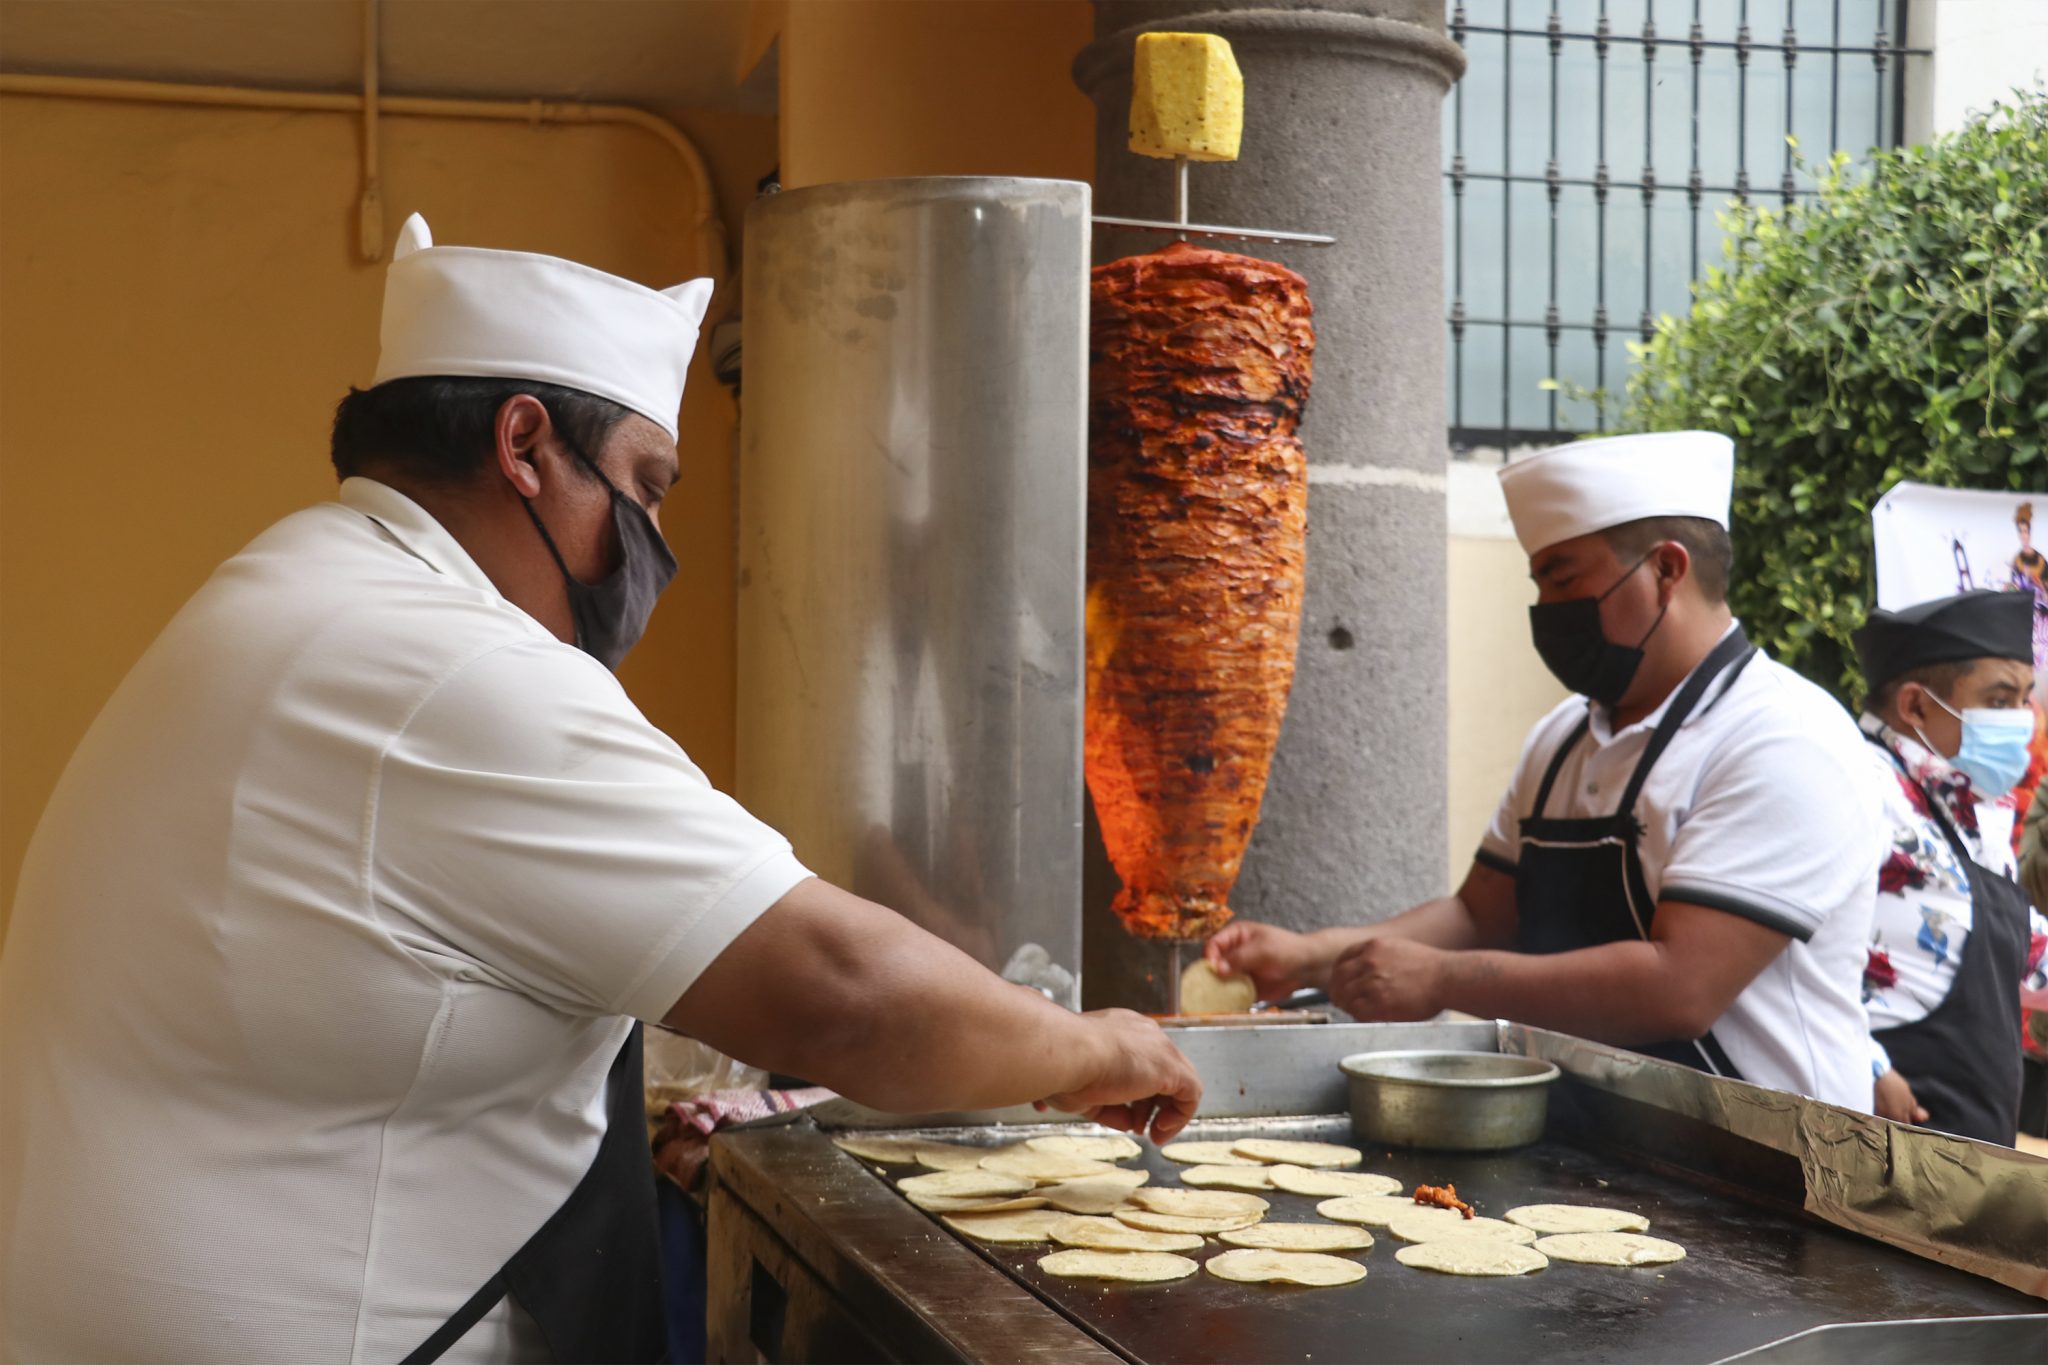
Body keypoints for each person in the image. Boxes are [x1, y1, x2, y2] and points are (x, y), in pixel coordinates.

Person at [0, 216, 1200, 1364]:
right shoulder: (446, 665)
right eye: (647, 483)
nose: (651, 541)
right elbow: (851, 998)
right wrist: (1085, 1044)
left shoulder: (288, 592)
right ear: (524, 447)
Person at [1208, 431, 1882, 1106]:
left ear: (1666, 571)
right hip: (1602, 1136)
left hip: (1768, 1162)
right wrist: (1312, 956)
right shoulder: (1561, 739)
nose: (1546, 609)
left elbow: (1678, 987)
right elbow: (1480, 916)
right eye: (1538, 581)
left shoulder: (1784, 739)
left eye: (1563, 577)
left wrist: (1442, 979)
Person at [1852, 589, 2048, 1143]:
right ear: (1915, 706)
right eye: (2000, 700)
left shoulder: (1972, 809)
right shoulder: (1858, 785)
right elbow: (1786, 953)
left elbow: (2025, 951)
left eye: (2025, 699)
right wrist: (1864, 1063)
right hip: (1874, 1137)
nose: (2022, 721)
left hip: (1969, 1154)